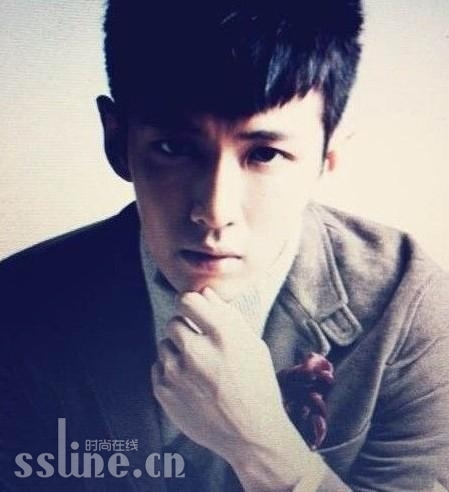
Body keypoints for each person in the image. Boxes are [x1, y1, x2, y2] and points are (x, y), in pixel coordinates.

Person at [1, 0, 449, 490]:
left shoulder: (409, 307)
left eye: (266, 154)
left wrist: (263, 447)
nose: (214, 212)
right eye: (175, 148)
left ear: (327, 156)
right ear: (117, 141)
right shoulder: (19, 304)